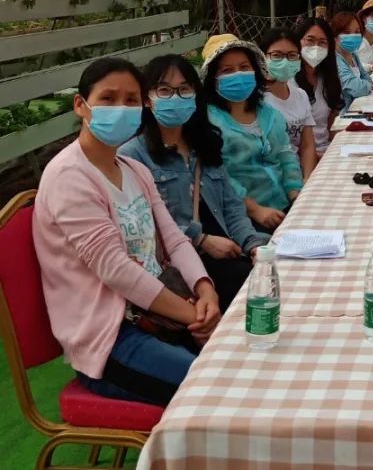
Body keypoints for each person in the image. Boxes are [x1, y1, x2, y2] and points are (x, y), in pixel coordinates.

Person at [34, 58, 219, 406]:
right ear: (80, 105)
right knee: (218, 388)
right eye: (108, 98)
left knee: (245, 363)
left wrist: (204, 288)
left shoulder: (134, 170)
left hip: (161, 318)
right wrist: (194, 315)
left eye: (131, 100)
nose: (121, 108)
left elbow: (174, 239)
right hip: (111, 339)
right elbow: (115, 269)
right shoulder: (69, 177)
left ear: (144, 105)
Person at [120, 55, 269, 311]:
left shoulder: (204, 144)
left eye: (184, 89)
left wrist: (253, 245)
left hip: (231, 248)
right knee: (252, 289)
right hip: (184, 263)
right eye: (164, 90)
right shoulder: (132, 155)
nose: (175, 98)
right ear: (147, 99)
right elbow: (145, 225)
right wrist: (202, 240)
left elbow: (232, 206)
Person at [202, 34, 303, 232]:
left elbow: (286, 156)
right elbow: (218, 176)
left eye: (244, 67)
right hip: (243, 219)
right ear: (212, 79)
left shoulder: (270, 114)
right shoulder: (208, 122)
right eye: (227, 70)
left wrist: (295, 193)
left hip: (285, 206)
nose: (238, 74)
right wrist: (255, 210)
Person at [258, 28, 317, 180]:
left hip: (298, 176)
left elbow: (307, 146)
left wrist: (307, 180)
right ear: (263, 57)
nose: (285, 62)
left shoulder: (301, 95)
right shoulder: (257, 99)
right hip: (270, 180)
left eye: (292, 55)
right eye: (277, 55)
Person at [295, 16, 343, 158]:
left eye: (322, 42)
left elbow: (330, 125)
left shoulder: (328, 80)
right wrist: (317, 156)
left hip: (326, 150)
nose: (316, 47)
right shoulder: (289, 81)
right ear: (298, 42)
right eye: (310, 40)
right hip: (298, 156)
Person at [330, 11, 373, 108]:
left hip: (359, 107)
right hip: (343, 111)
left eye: (357, 32)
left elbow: (368, 79)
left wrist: (365, 84)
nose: (353, 35)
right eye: (346, 32)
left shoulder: (353, 55)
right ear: (335, 36)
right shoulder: (335, 59)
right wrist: (367, 85)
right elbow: (358, 89)